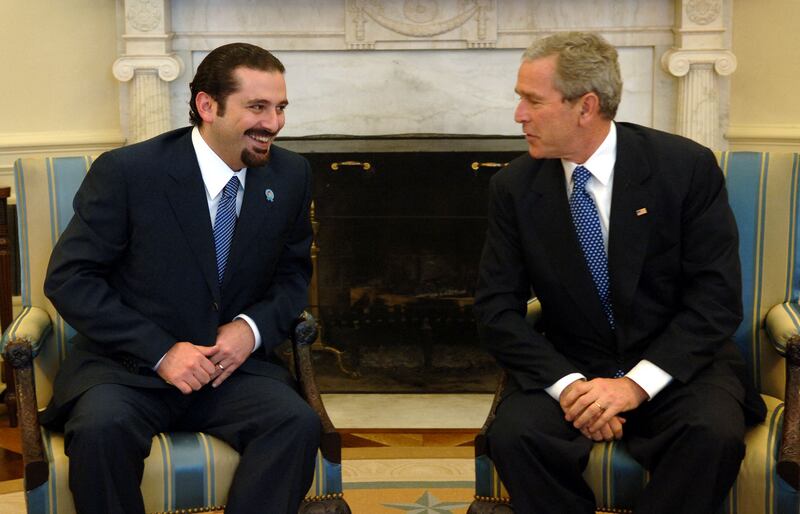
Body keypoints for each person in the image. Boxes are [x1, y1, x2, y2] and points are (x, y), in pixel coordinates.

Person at [474, 32, 766, 514]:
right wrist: (572, 388)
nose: (518, 115)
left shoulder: (684, 168)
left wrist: (632, 386)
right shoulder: (513, 187)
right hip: (573, 366)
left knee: (711, 436)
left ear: (585, 106)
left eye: (532, 100)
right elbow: (495, 311)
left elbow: (715, 300)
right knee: (515, 436)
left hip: (676, 365)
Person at [41, 43, 320, 514]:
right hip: (129, 370)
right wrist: (162, 351)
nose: (273, 124)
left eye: (280, 108)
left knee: (295, 423)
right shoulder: (129, 172)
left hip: (230, 371)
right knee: (100, 430)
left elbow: (294, 275)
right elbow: (71, 278)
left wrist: (249, 331)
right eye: (257, 107)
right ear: (207, 106)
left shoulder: (290, 174)